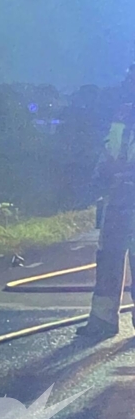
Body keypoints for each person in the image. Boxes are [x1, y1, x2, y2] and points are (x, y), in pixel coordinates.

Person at [77, 89, 135, 338]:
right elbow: (110, 152)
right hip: (119, 198)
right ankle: (102, 320)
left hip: (123, 195)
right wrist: (98, 182)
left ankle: (103, 321)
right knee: (108, 257)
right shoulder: (123, 113)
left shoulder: (123, 113)